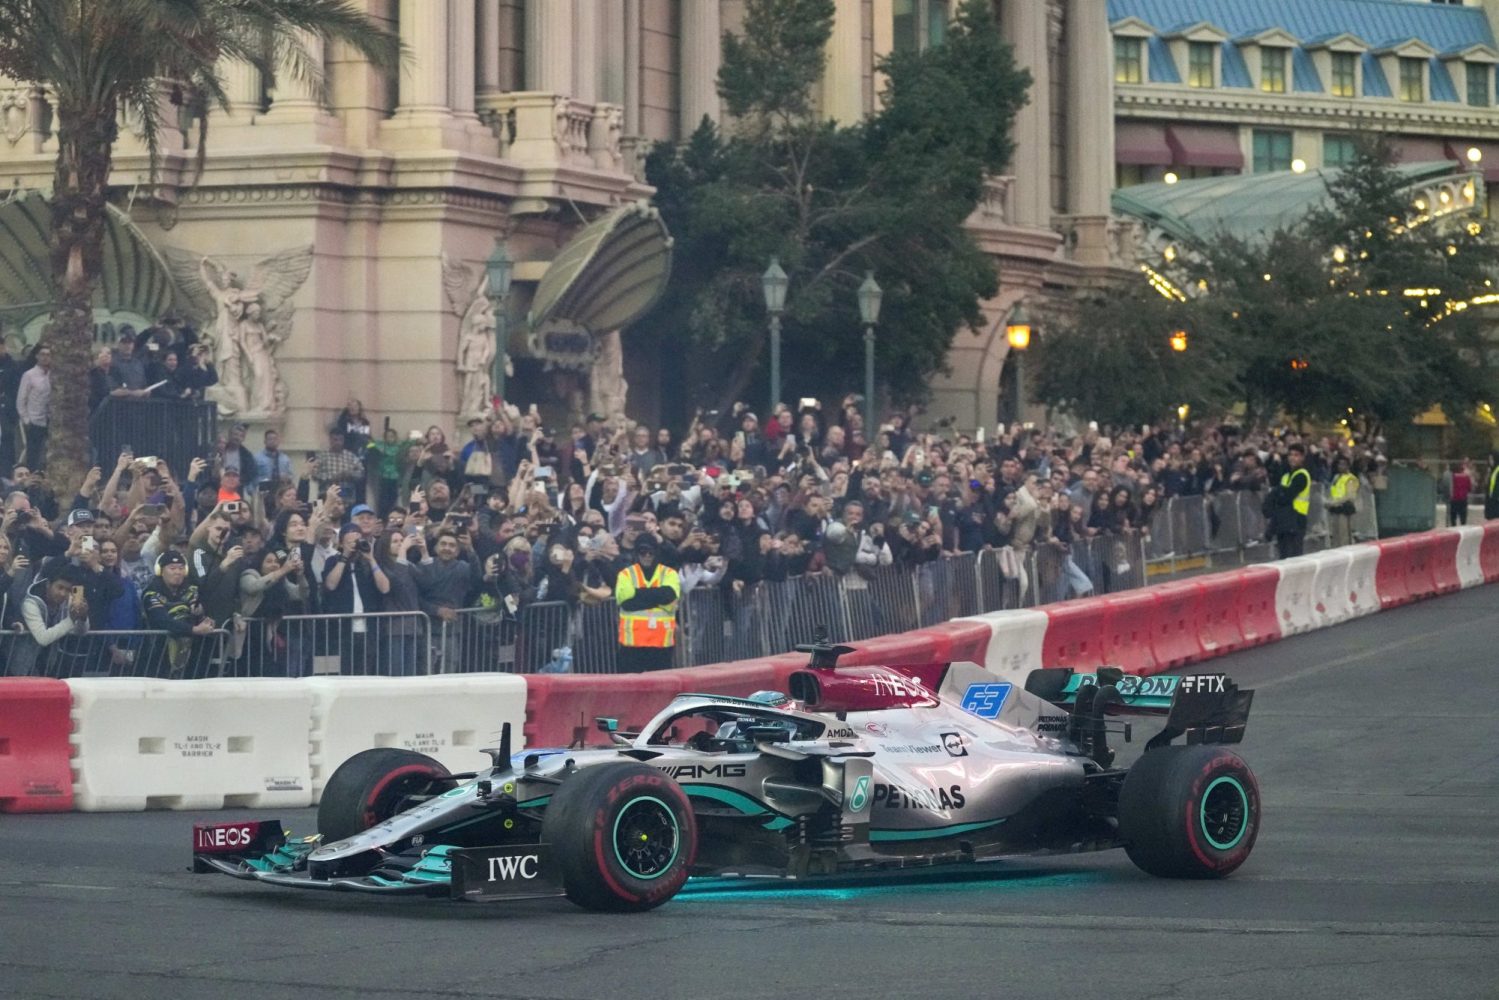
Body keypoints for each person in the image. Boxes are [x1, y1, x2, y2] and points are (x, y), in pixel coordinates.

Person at [141, 550, 220, 679]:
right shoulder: (151, 593)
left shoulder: (192, 589)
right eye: (172, 568)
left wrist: (202, 616)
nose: (177, 572)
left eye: (181, 568)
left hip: (191, 656)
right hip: (158, 654)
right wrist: (194, 630)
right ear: (160, 570)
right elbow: (162, 620)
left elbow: (198, 608)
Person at [613, 534, 680, 673]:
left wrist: (637, 593)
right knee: (630, 690)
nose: (647, 556)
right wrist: (657, 600)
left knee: (661, 690)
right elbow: (626, 603)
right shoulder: (625, 574)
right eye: (643, 552)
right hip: (632, 646)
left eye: (651, 552)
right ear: (636, 553)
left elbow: (669, 595)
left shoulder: (669, 573)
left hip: (661, 646)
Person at [9, 565, 90, 676]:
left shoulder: (69, 600)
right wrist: (71, 620)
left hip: (47, 664)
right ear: (48, 584)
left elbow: (81, 632)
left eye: (68, 590)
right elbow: (43, 638)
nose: (63, 594)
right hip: (22, 665)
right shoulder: (30, 603)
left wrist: (83, 617)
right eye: (59, 587)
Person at [1267, 442, 1311, 559]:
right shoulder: (1286, 476)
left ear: (1302, 457)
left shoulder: (1302, 475)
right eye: (1290, 455)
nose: (1292, 458)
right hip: (1284, 519)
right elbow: (1280, 493)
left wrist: (1278, 492)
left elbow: (1286, 496)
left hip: (1297, 518)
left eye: (1296, 455)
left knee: (1294, 555)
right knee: (1284, 555)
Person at [16, 344, 52, 471]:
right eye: (42, 354)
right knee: (33, 454)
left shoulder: (53, 375)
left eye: (48, 355)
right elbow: (21, 400)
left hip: (51, 419)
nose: (45, 358)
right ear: (37, 356)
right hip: (35, 420)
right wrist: (27, 420)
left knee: (51, 452)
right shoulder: (29, 375)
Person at [1327, 456, 1359, 548]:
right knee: (1335, 535)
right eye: (1339, 464)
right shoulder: (1336, 477)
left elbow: (1349, 496)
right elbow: (1333, 491)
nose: (1341, 466)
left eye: (1343, 464)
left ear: (1348, 466)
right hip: (1335, 508)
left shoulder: (1350, 478)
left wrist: (1335, 502)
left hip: (1344, 509)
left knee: (1344, 535)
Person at [1447, 460, 1473, 528]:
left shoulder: (1452, 477)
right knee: (1463, 519)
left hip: (1454, 499)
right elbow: (1469, 488)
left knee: (1453, 518)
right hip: (1463, 499)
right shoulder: (1466, 477)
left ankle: (1454, 529)